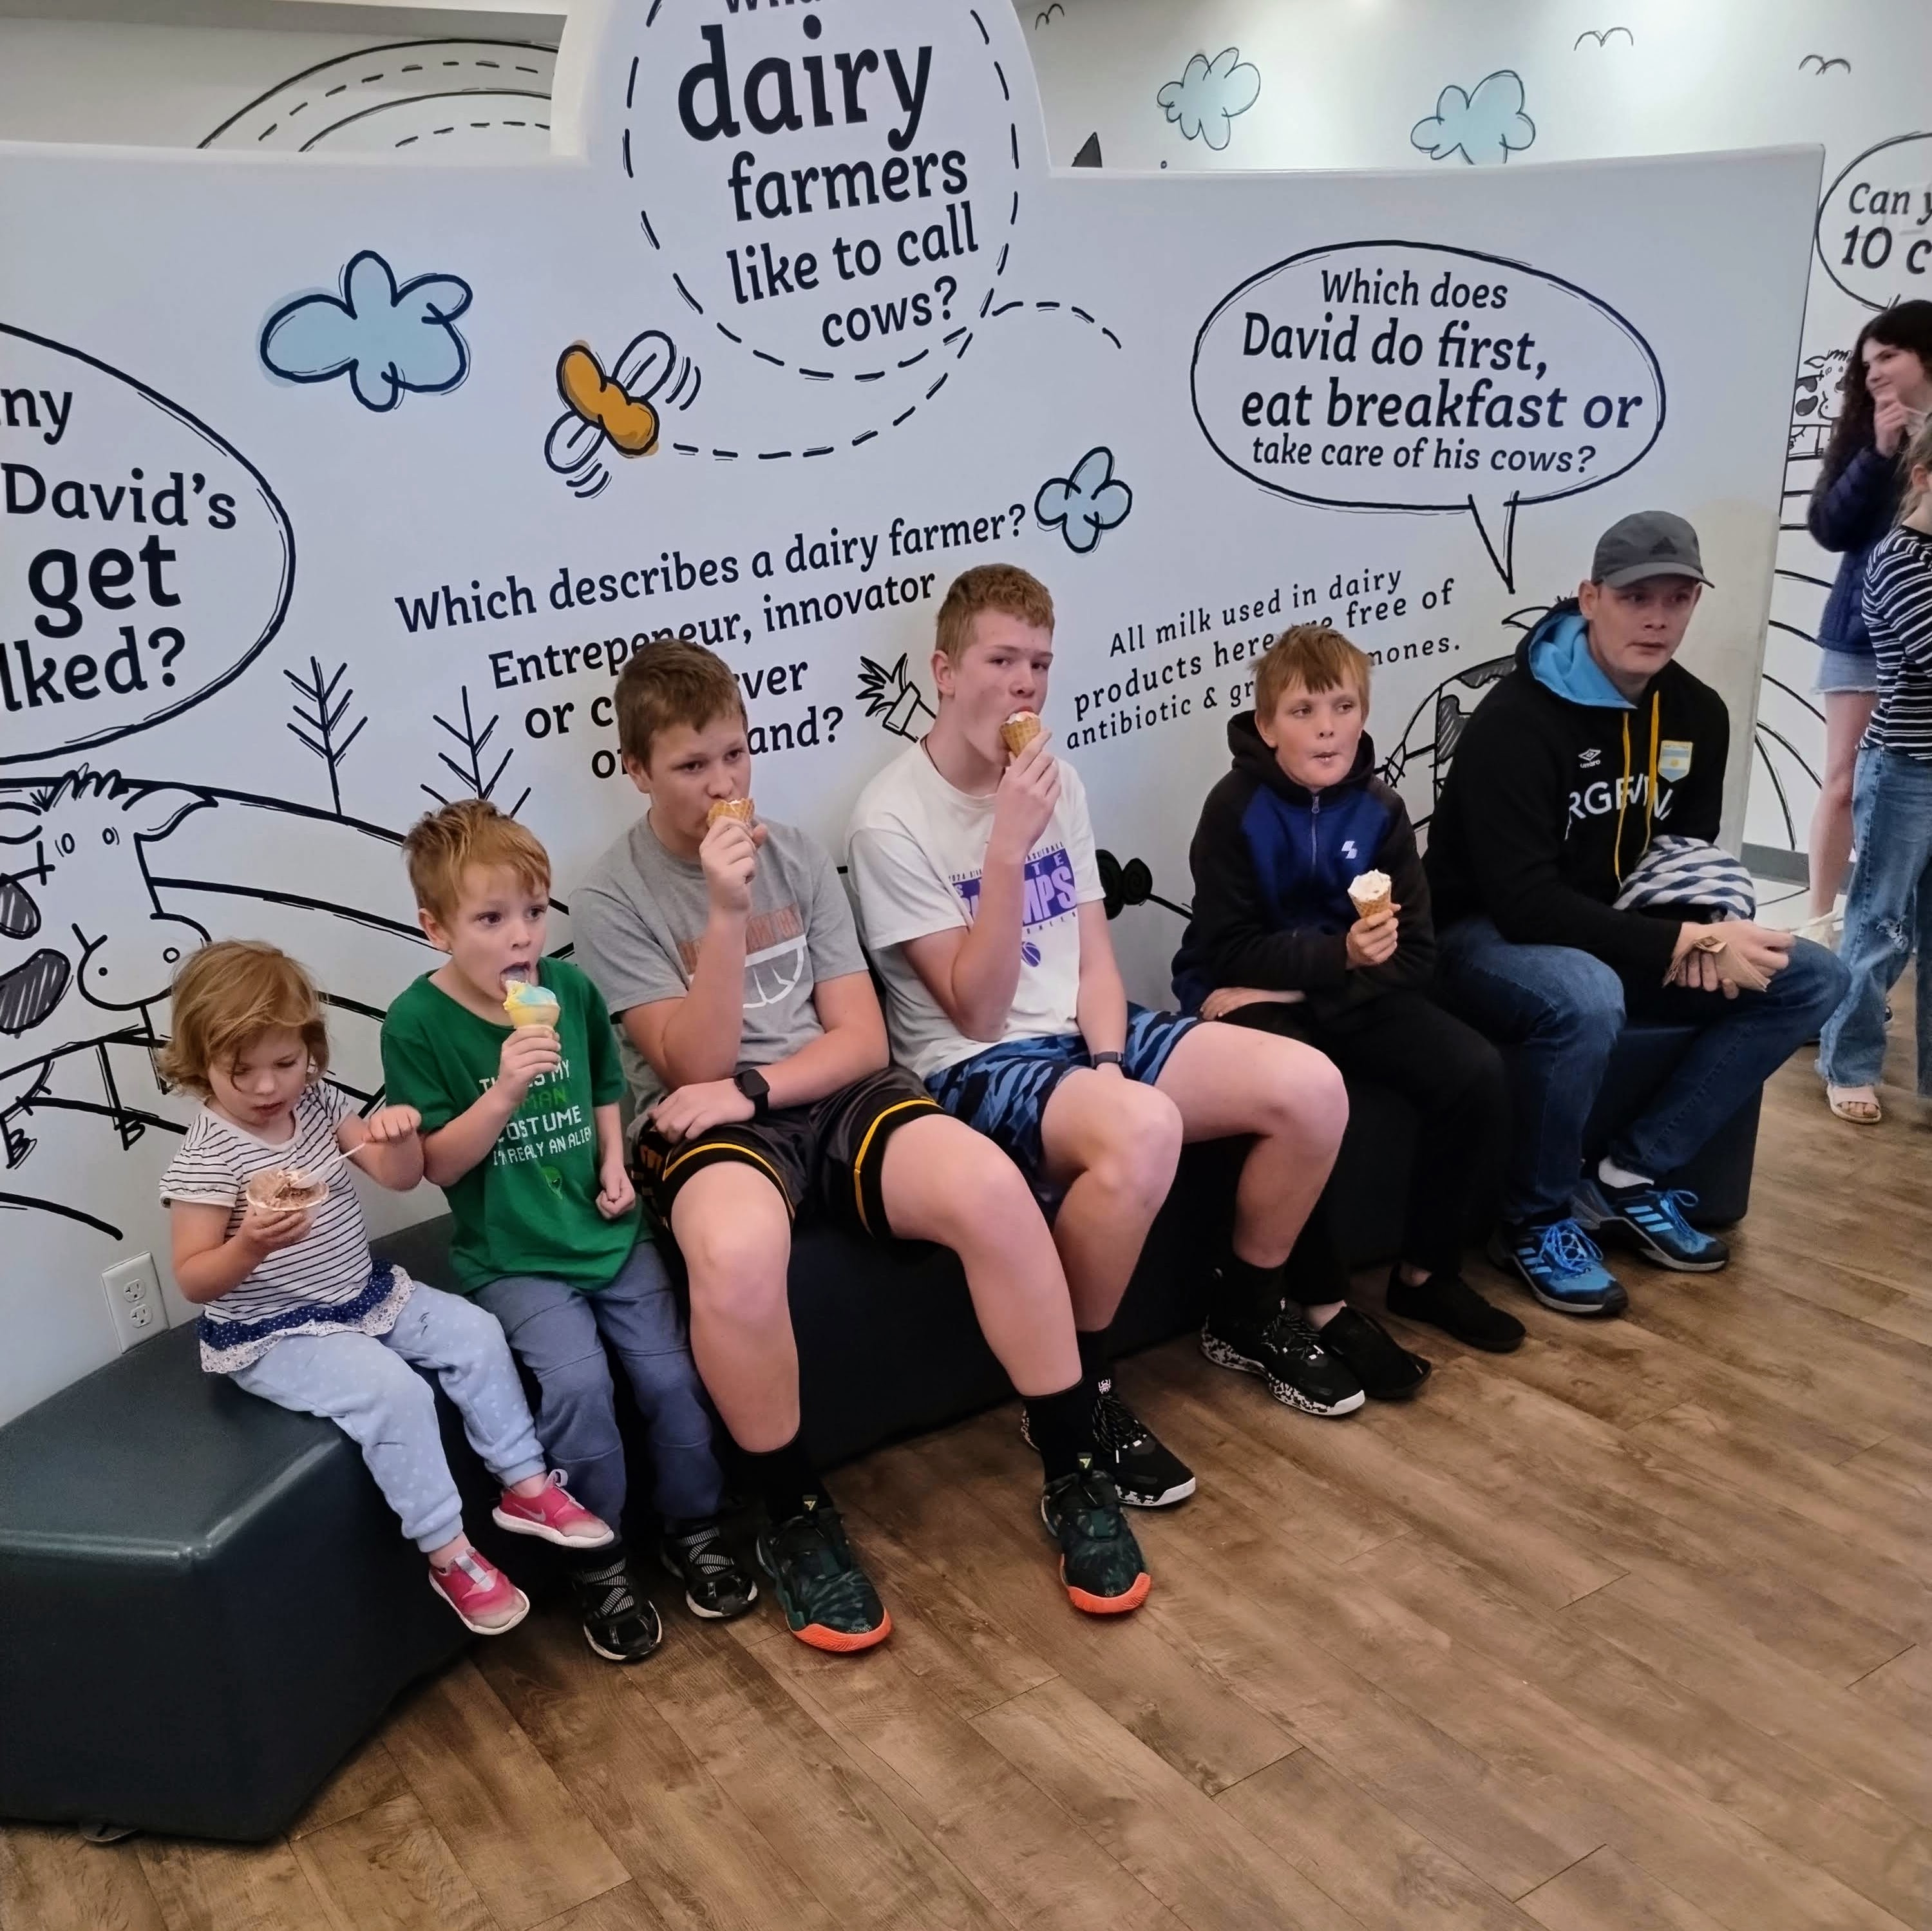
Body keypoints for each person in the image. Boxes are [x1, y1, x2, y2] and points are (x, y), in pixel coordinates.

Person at [571, 640, 1152, 1655]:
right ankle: (795, 1515)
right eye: (692, 764)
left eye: (735, 754)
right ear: (637, 771)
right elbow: (692, 1064)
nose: (722, 782)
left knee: (993, 1190)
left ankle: (1073, 1468)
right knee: (735, 1254)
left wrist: (759, 1085)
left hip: (820, 1089)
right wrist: (723, 912)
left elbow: (861, 1040)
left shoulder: (797, 853)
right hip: (702, 1120)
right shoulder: (612, 895)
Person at [846, 565, 1354, 1429]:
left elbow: (1094, 960)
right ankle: (1076, 1387)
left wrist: (1112, 1061)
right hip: (975, 1062)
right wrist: (1007, 847)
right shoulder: (889, 818)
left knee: (1312, 1087)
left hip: (1084, 1036)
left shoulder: (1058, 781)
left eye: (1039, 664)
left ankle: (1247, 1307)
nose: (1025, 684)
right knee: (1144, 1129)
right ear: (944, 671)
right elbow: (975, 1009)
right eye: (1002, 660)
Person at [1426, 511, 1850, 1315]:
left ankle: (1626, 1176)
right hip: (1479, 934)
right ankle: (1534, 1219)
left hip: (1610, 921)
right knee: (1587, 994)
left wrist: (1705, 929)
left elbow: (1681, 854)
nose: (1658, 618)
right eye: (1635, 597)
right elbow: (1523, 904)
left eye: (1677, 598)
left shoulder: (1697, 713)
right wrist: (1680, 940)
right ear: (1590, 598)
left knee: (1814, 978)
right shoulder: (1514, 722)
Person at [382, 800, 752, 1665]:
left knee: (672, 1378)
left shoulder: (571, 990)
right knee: (580, 1387)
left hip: (610, 1234)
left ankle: (694, 1527)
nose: (521, 937)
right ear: (435, 928)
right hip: (513, 1256)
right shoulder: (416, 1023)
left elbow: (604, 1089)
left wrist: (616, 1164)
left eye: (533, 911)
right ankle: (600, 1558)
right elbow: (436, 1163)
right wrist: (505, 1088)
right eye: (491, 919)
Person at [160, 940, 611, 1637]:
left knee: (477, 1332)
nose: (267, 1087)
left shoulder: (316, 1103)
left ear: (309, 1052)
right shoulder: (208, 1156)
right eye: (239, 1071)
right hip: (274, 1332)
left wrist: (398, 1136)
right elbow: (192, 1277)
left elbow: (398, 1177)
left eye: (285, 1063)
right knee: (395, 1392)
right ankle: (448, 1553)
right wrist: (250, 1244)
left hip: (360, 1293)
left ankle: (524, 1484)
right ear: (200, 1062)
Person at [1171, 623, 1525, 1367]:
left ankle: (1427, 1273)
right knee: (1304, 1090)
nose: (1327, 727)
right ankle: (1322, 1301)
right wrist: (1336, 959)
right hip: (1241, 998)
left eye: (1342, 707)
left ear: (1363, 715)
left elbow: (1415, 954)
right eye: (1303, 711)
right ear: (1268, 725)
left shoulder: (1381, 810)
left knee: (1475, 1071)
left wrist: (1314, 981)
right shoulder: (1232, 808)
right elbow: (1225, 951)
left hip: (1327, 991)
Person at [1804, 301, 1932, 936]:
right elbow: (1830, 527)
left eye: (1888, 356)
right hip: (1861, 633)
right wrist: (1880, 453)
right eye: (1867, 363)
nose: (1874, 372)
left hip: (1925, 632)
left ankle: (1890, 926)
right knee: (1844, 779)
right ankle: (1819, 923)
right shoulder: (1864, 432)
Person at [1819, 416, 1932, 1121]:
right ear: (1923, 477)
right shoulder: (1897, 560)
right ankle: (1848, 1062)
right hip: (1904, 770)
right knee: (1881, 923)